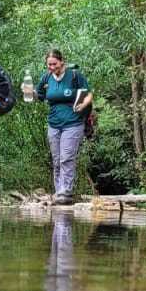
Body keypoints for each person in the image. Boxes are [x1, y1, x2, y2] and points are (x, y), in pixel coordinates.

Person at [35, 48, 92, 206]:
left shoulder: (74, 76)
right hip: (54, 124)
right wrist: (30, 92)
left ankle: (66, 192)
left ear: (62, 62)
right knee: (57, 159)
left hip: (73, 123)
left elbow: (88, 94)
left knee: (67, 157)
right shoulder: (47, 78)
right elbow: (38, 95)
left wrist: (83, 105)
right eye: (49, 64)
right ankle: (59, 190)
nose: (51, 67)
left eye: (54, 64)